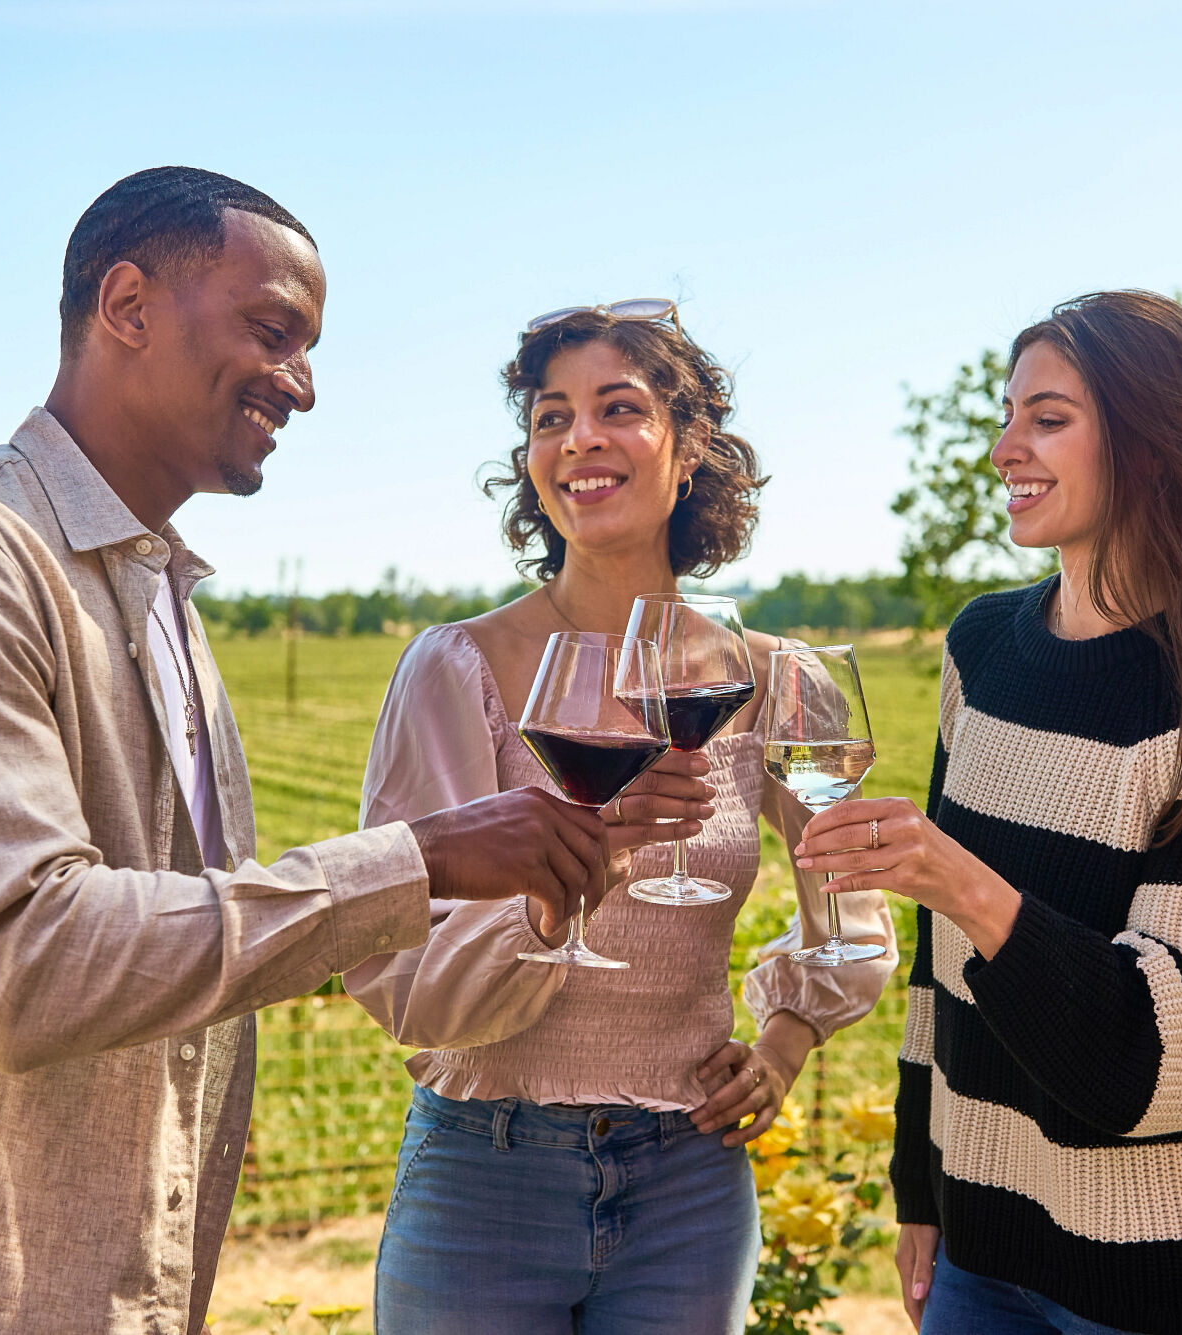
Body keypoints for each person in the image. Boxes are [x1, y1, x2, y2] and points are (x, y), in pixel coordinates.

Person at [0, 167, 604, 1335]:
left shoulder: (162, 599)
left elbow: (168, 954)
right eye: (273, 331)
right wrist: (415, 862)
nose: (305, 385)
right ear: (125, 306)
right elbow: (27, 965)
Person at [792, 291, 1182, 1335]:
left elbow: (1178, 1066)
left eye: (1046, 419)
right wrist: (920, 1183)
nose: (1005, 449)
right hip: (983, 1254)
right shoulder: (984, 652)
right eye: (1006, 417)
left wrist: (958, 881)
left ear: (1149, 447)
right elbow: (938, 971)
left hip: (1166, 1284)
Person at [343, 303, 898, 1333]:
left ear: (686, 452)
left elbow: (851, 910)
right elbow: (404, 986)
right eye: (550, 418)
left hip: (689, 1181)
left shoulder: (777, 680)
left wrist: (781, 1043)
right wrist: (580, 870)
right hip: (485, 1173)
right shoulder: (457, 668)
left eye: (617, 408)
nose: (578, 439)